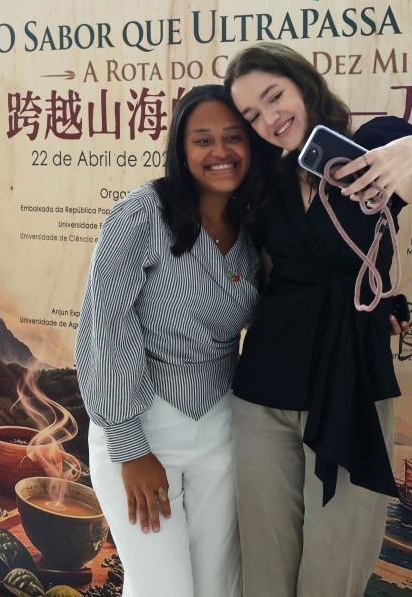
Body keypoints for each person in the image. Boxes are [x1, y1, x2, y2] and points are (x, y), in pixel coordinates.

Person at [224, 42, 412, 596]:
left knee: (334, 569)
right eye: (252, 114)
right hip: (263, 390)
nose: (269, 118)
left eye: (274, 96)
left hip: (351, 387)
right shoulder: (265, 184)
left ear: (304, 84)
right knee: (265, 567)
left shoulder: (368, 148)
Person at [75, 84, 273, 597]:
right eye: (202, 140)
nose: (220, 151)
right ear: (181, 151)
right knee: (162, 588)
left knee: (217, 586)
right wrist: (130, 448)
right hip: (143, 425)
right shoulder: (142, 213)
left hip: (221, 426)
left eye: (234, 137)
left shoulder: (256, 223)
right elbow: (105, 325)